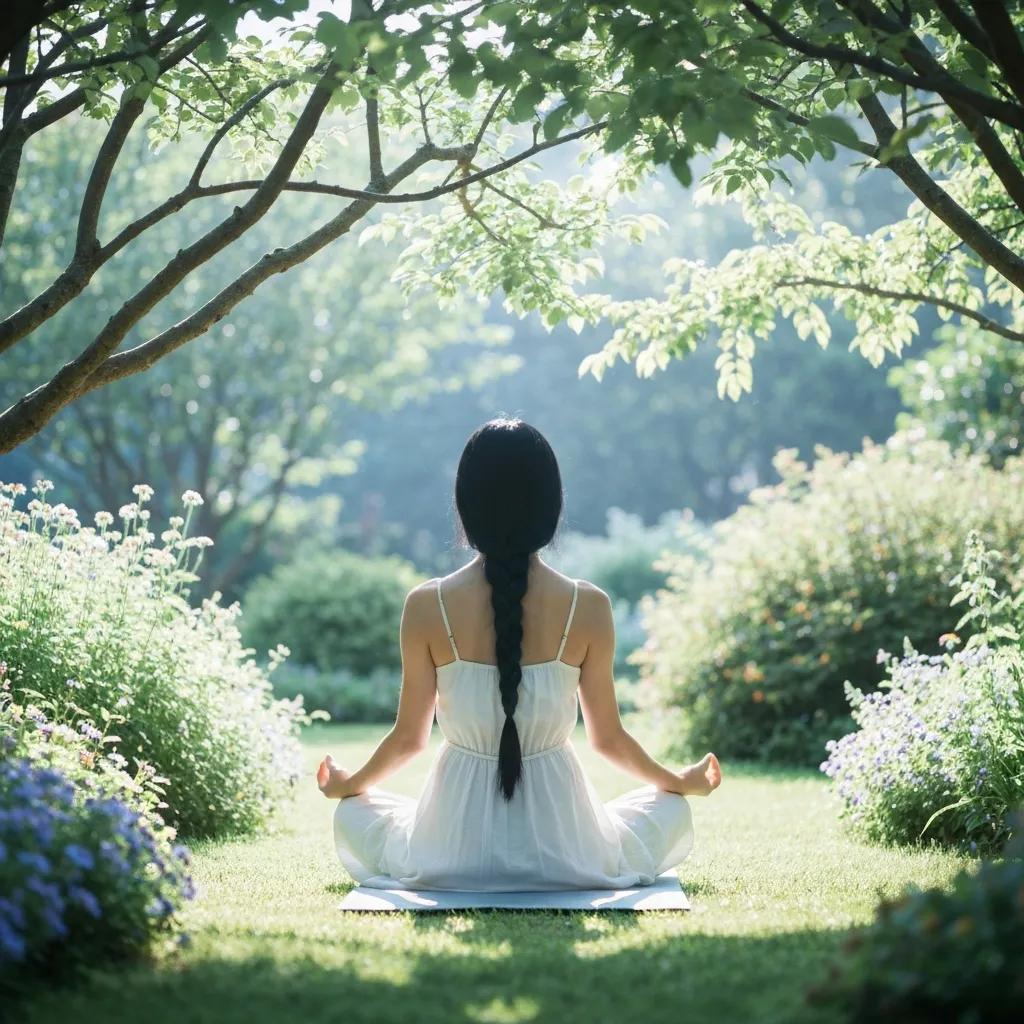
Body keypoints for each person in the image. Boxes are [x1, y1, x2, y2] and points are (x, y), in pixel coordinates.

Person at [317, 416, 721, 891]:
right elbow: (608, 739)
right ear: (550, 505)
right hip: (568, 854)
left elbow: (409, 739)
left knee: (354, 812)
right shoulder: (589, 606)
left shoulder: (426, 605)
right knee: (671, 807)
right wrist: (678, 781)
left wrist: (349, 785)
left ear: (466, 504)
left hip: (448, 853)